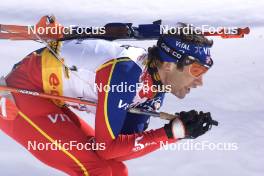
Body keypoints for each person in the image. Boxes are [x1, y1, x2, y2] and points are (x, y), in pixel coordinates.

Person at [0, 24, 215, 176]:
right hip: (20, 94)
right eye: (196, 69)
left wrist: (178, 132)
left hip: (46, 99)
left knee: (115, 170)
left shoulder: (155, 88)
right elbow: (108, 148)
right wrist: (170, 133)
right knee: (97, 171)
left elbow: (121, 151)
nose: (200, 81)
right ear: (168, 64)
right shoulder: (125, 73)